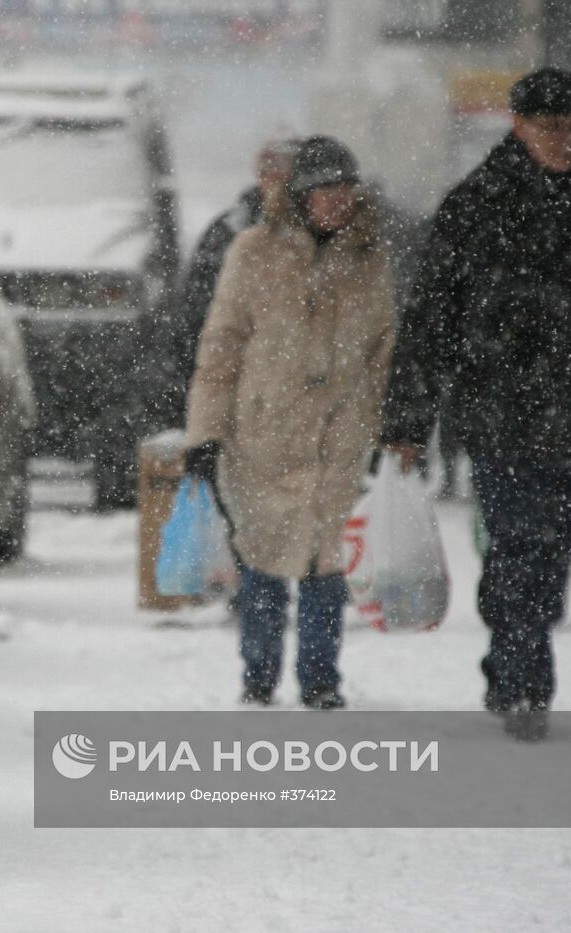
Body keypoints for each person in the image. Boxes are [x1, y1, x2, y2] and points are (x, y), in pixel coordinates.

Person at [380, 68, 571, 739]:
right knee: (520, 541)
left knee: (555, 544)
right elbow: (430, 317)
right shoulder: (476, 203)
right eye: (550, 127)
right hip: (501, 409)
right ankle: (522, 678)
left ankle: (516, 657)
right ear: (519, 125)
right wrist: (408, 419)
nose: (564, 141)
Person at [183, 136, 397, 710]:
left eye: (344, 190)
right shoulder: (251, 252)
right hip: (263, 432)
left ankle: (321, 679)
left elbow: (383, 350)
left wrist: (381, 426)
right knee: (262, 554)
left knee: (324, 559)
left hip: (337, 435)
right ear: (299, 196)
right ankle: (258, 674)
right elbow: (221, 346)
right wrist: (205, 433)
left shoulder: (369, 258)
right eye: (323, 191)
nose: (335, 202)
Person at [153, 140, 299, 427]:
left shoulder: (324, 241)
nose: (276, 183)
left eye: (284, 175)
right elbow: (197, 317)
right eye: (270, 173)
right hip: (239, 388)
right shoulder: (226, 232)